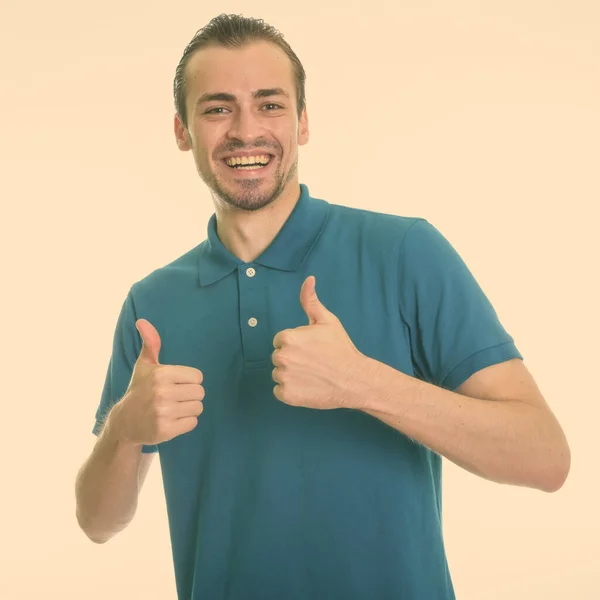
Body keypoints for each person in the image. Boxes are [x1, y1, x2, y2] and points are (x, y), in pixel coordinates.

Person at [75, 13, 571, 600]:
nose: (245, 130)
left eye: (270, 104)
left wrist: (363, 383)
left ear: (303, 122)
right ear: (183, 131)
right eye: (216, 108)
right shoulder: (152, 302)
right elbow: (97, 522)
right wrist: (124, 432)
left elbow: (546, 458)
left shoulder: (405, 252)